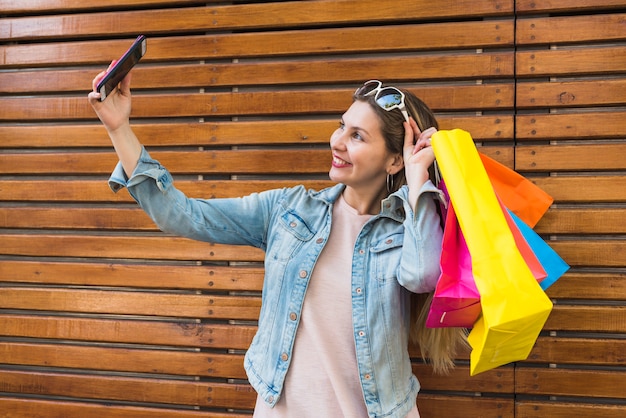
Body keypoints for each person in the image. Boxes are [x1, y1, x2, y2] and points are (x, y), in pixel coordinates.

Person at [88, 68, 467, 417]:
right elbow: (183, 215)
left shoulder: (409, 230)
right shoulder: (289, 210)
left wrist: (419, 182)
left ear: (393, 161)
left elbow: (423, 276)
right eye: (342, 126)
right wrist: (118, 127)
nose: (337, 142)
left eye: (357, 136)